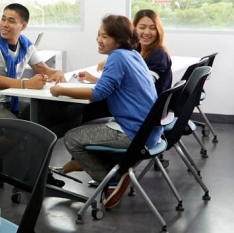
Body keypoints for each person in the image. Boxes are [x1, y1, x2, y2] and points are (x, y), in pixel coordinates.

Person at [48, 15, 161, 209]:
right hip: (150, 130)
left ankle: (111, 179)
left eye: (105, 36)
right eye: (98, 35)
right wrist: (94, 79)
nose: (99, 40)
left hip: (133, 132)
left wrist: (61, 89)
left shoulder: (117, 57)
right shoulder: (133, 54)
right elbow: (116, 85)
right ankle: (116, 172)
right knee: (90, 126)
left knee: (72, 138)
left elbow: (99, 94)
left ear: (119, 39)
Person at [0, 3, 65, 119]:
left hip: (13, 101)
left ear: (23, 26)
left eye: (11, 21)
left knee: (49, 116)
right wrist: (27, 84)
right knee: (17, 130)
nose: (4, 25)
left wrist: (57, 73)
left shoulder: (26, 45)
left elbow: (44, 69)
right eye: (3, 19)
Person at [133, 9, 172, 96]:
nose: (147, 32)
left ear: (158, 30)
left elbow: (144, 84)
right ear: (134, 29)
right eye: (142, 27)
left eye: (152, 28)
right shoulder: (136, 50)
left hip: (150, 105)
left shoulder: (159, 53)